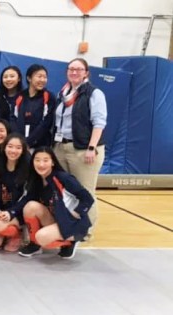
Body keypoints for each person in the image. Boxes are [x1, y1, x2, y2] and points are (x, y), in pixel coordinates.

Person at [53, 58, 107, 239]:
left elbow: (99, 122)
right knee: (65, 190)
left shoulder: (94, 93)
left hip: (83, 149)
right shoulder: (63, 93)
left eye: (78, 69)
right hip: (61, 146)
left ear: (86, 73)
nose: (74, 72)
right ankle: (69, 226)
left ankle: (86, 230)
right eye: (71, 69)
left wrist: (91, 147)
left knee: (85, 190)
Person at [19, 147, 94, 259]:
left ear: (53, 162)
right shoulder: (37, 180)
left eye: (45, 160)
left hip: (73, 222)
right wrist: (10, 213)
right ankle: (34, 245)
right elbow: (26, 200)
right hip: (58, 219)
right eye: (37, 160)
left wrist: (76, 213)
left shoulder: (63, 178)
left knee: (41, 237)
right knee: (29, 207)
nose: (41, 164)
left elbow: (88, 198)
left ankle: (70, 242)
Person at [0, 134, 30, 252]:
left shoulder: (27, 170)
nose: (13, 150)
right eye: (10, 146)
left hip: (16, 213)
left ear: (23, 150)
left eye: (18, 147)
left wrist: (11, 212)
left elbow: (27, 197)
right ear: (4, 148)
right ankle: (6, 234)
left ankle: (18, 231)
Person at [12, 64, 56, 150]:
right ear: (29, 78)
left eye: (45, 77)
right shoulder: (19, 96)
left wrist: (29, 142)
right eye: (39, 76)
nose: (42, 80)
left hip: (40, 146)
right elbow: (13, 118)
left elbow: (46, 123)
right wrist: (20, 141)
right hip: (20, 145)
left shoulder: (48, 96)